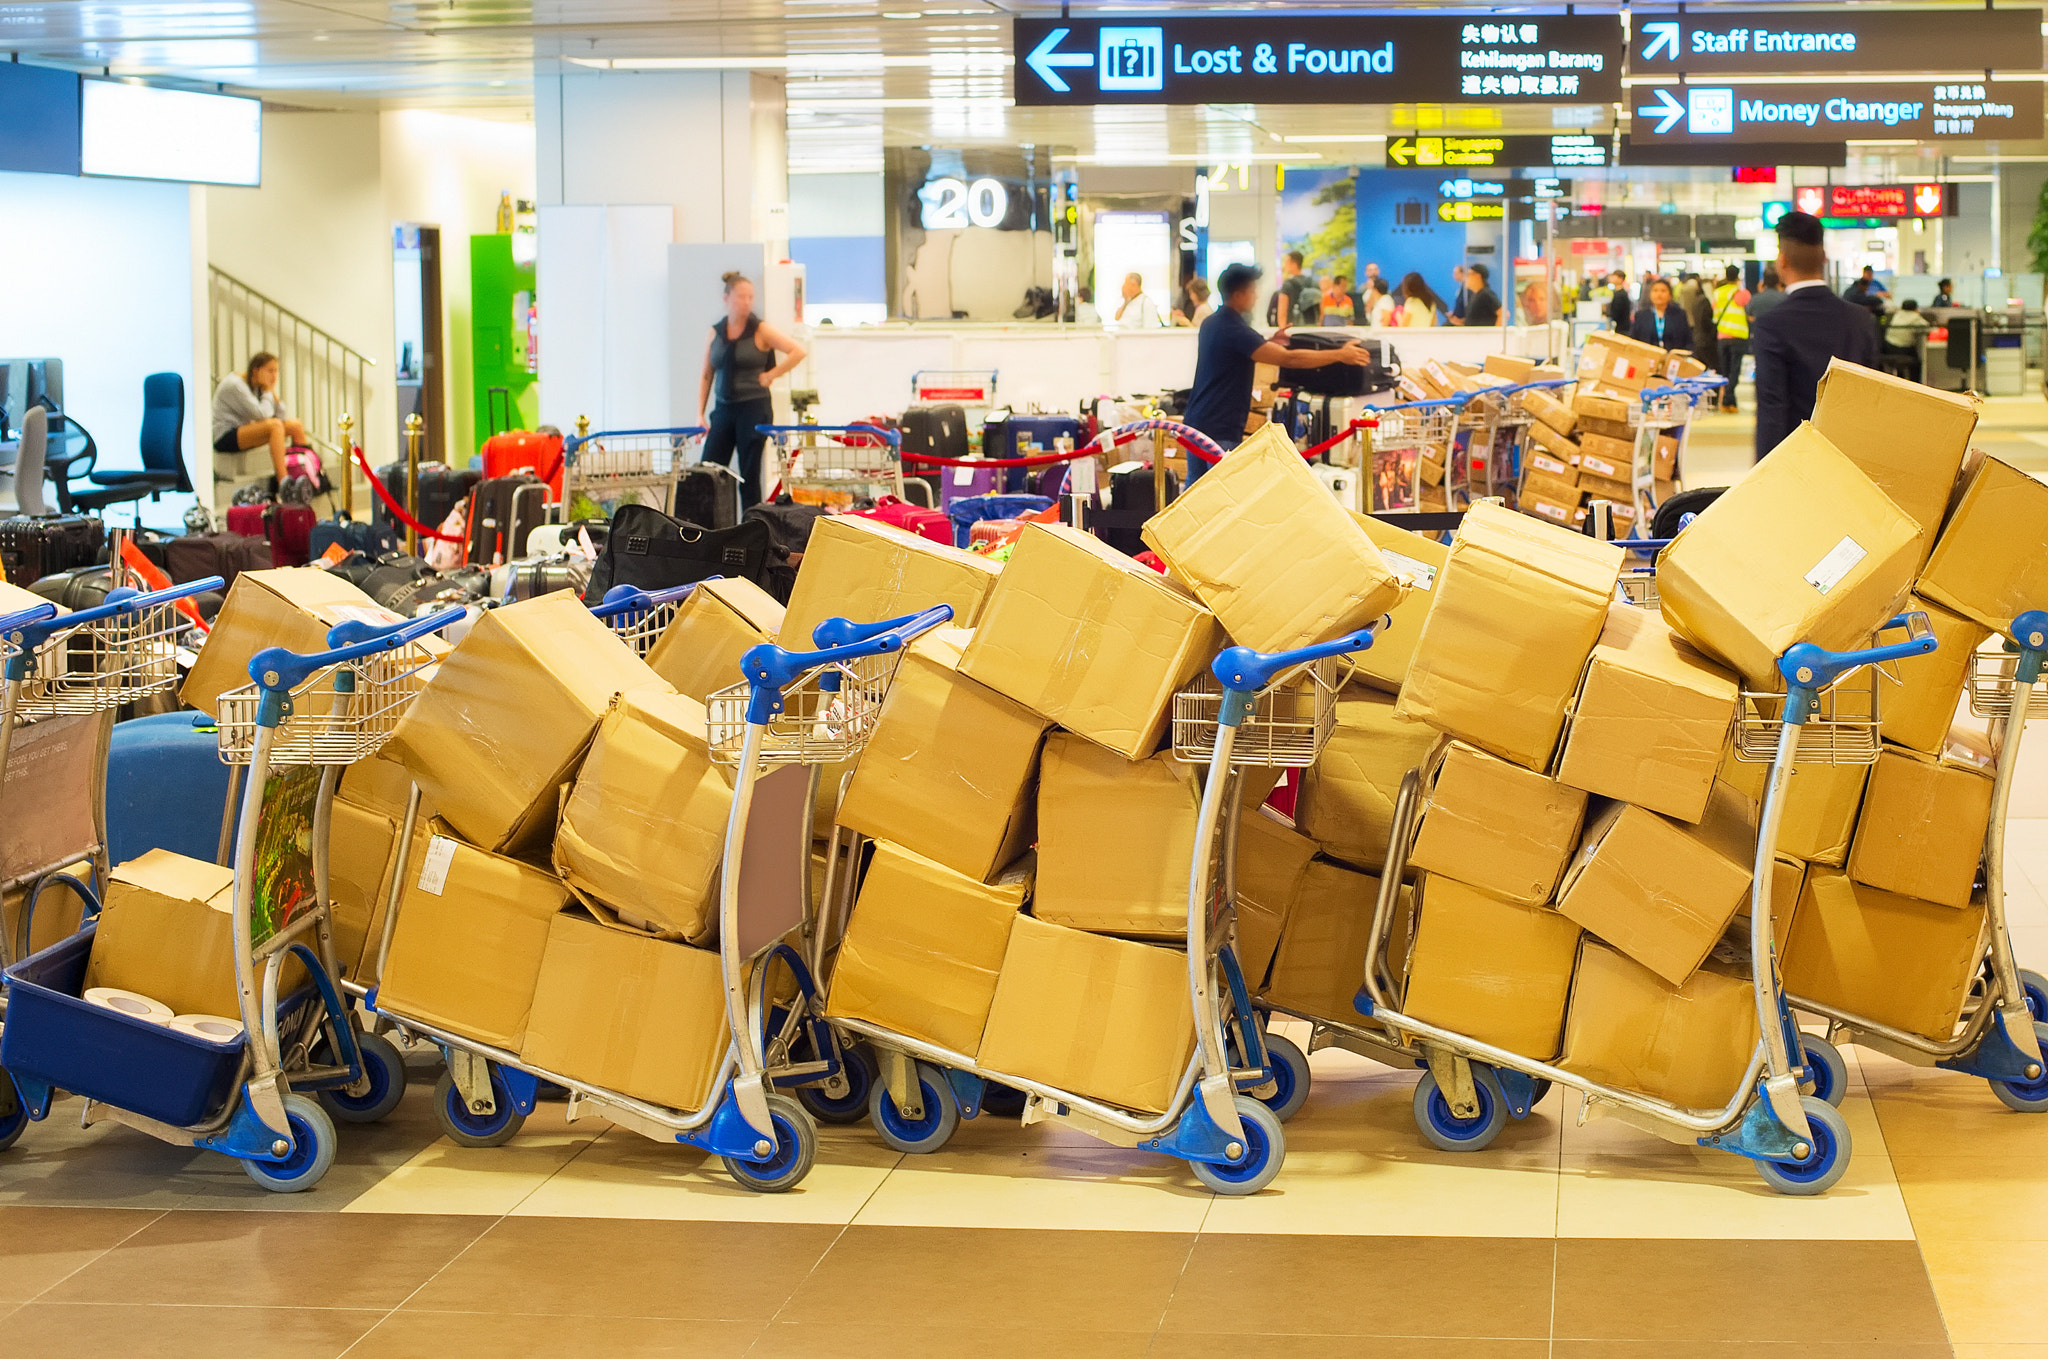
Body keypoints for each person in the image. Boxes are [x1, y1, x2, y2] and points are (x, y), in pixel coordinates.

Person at [1183, 262, 1373, 483]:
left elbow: (1244, 351)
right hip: (1219, 428)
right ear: (1239, 294)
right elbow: (1289, 358)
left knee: (1195, 490)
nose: (1255, 296)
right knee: (1222, 493)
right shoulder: (1235, 330)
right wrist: (1340, 354)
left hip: (1197, 420)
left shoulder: (1212, 323)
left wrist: (1271, 343)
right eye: (1252, 291)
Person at [1749, 211, 1878, 461]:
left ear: (1782, 261)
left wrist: (1763, 476)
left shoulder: (1771, 325)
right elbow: (1872, 400)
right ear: (1824, 259)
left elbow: (1772, 409)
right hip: (1852, 462)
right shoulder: (1860, 319)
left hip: (1798, 463)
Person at [697, 270, 806, 510]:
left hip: (753, 408)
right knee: (709, 471)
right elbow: (707, 374)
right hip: (724, 408)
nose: (746, 302)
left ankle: (750, 530)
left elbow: (798, 351)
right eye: (740, 297)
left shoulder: (761, 330)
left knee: (748, 475)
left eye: (750, 297)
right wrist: (700, 415)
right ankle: (708, 529)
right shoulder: (715, 333)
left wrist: (771, 375)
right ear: (727, 299)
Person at [212, 351, 306, 487]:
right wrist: (268, 390)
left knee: (295, 425)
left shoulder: (258, 387)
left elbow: (280, 416)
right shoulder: (235, 385)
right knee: (275, 426)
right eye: (270, 371)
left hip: (242, 432)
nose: (274, 376)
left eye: (276, 371)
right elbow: (262, 414)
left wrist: (271, 391)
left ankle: (305, 472)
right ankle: (284, 482)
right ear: (256, 370)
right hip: (225, 436)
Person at [1711, 265, 1752, 413]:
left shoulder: (1717, 293)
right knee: (1734, 371)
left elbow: (1715, 315)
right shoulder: (1742, 293)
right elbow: (1749, 312)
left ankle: (1729, 402)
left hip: (1722, 336)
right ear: (1738, 277)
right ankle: (1728, 399)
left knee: (1726, 371)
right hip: (1738, 336)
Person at [1630, 277, 1693, 352]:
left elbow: (1688, 340)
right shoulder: (1641, 315)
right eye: (1655, 291)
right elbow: (1633, 341)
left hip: (1673, 359)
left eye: (1663, 291)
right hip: (1648, 358)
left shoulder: (1679, 314)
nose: (1659, 294)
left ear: (1670, 295)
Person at [1884, 299, 1933, 383]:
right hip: (1903, 350)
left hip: (1889, 348)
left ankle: (1901, 379)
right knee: (1917, 363)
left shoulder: (1898, 314)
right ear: (1915, 309)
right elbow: (1926, 328)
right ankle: (1916, 384)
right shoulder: (1914, 317)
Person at [1678, 273, 1718, 377]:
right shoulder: (1703, 300)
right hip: (1704, 339)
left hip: (1697, 336)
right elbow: (1705, 321)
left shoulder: (1687, 296)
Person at [1268, 251, 1320, 328]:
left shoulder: (1287, 285)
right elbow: (1320, 311)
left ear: (1294, 264)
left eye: (1286, 262)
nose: (1284, 265)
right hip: (1311, 328)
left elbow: (1282, 314)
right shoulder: (1313, 283)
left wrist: (1282, 330)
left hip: (1292, 329)